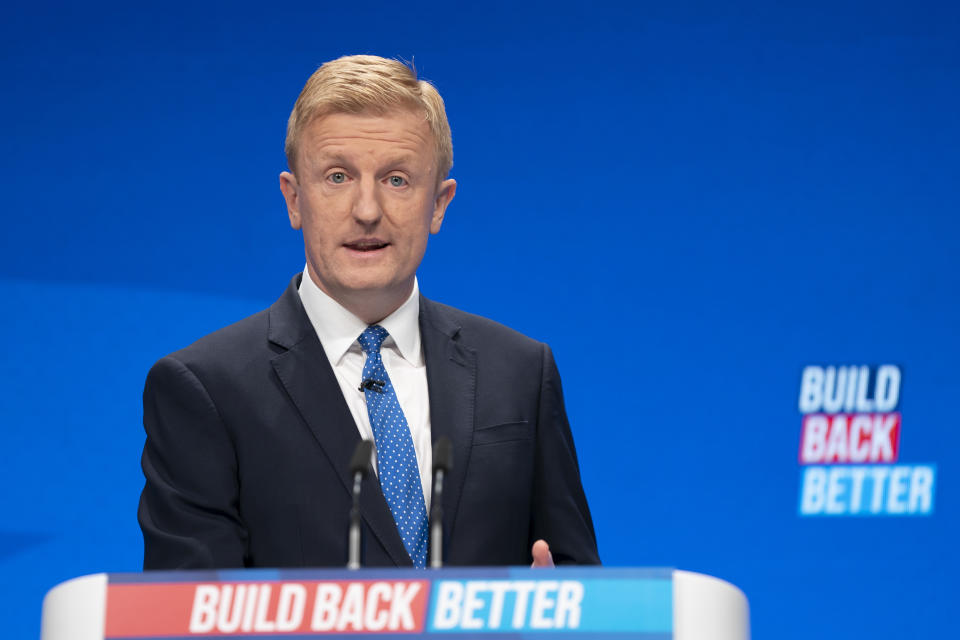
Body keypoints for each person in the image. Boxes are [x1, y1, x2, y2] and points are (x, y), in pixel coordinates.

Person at [138, 55, 599, 570]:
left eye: (397, 180)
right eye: (337, 177)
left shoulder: (518, 372)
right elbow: (188, 614)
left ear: (439, 204)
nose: (366, 210)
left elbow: (578, 581)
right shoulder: (206, 389)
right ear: (294, 199)